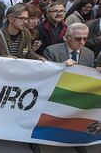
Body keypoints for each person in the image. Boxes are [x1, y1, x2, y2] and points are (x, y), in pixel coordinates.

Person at [44, 23, 93, 153]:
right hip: (55, 93)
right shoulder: (51, 51)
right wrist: (61, 66)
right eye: (78, 38)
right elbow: (45, 75)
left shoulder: (89, 54)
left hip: (76, 95)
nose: (82, 42)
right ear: (67, 38)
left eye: (85, 38)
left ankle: (74, 139)